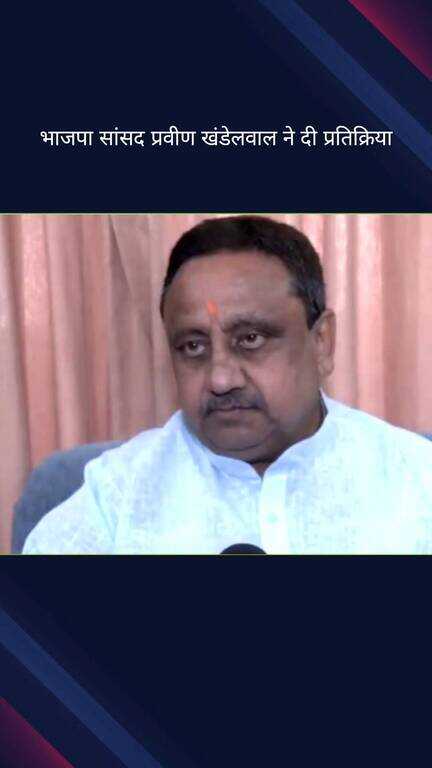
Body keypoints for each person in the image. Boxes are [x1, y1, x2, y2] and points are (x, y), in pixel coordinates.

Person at [23, 216, 432, 554]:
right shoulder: (114, 497)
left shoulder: (417, 480)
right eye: (193, 346)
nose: (220, 379)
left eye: (250, 339)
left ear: (322, 342)